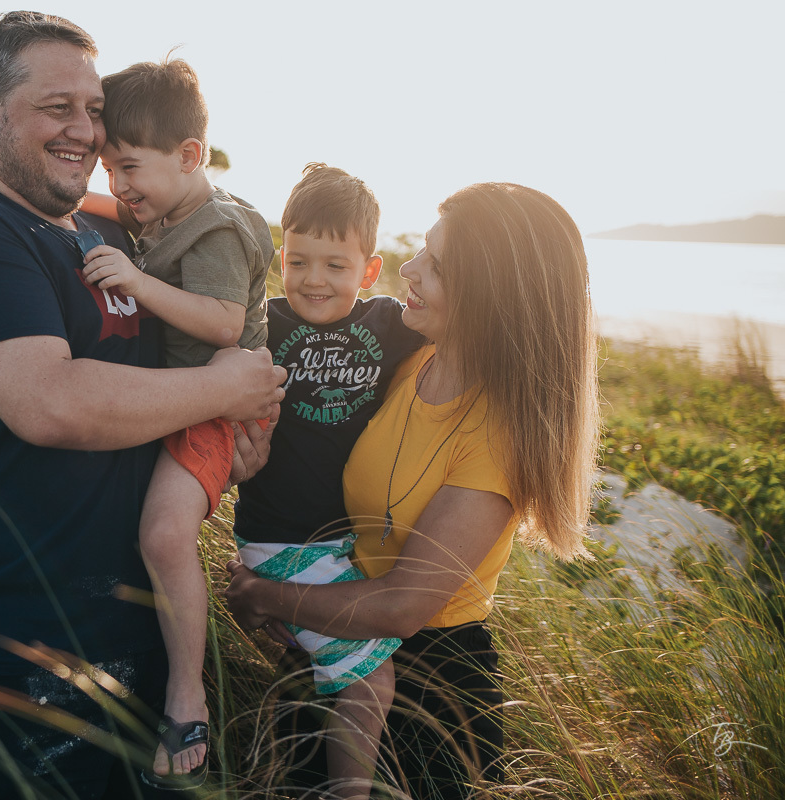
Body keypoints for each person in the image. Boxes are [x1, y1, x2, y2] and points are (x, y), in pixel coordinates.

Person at [0, 12, 285, 799]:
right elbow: (54, 404)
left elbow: (180, 233)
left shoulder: (98, 234)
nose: (84, 130)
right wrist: (228, 388)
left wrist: (233, 444)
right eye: (56, 108)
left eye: (93, 109)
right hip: (10, 660)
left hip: (135, 644)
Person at [226, 182, 600, 799]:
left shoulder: (498, 433)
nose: (410, 269)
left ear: (492, 295)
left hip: (429, 696)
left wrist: (264, 594)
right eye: (423, 250)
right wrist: (246, 463)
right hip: (332, 641)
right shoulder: (407, 359)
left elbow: (403, 605)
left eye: (438, 266)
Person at [72, 57, 274, 788]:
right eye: (109, 167)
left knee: (162, 534)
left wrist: (137, 281)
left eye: (128, 167)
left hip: (216, 406)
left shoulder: (216, 229)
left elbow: (223, 324)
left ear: (190, 156)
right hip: (185, 399)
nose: (119, 184)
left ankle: (187, 696)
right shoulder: (166, 205)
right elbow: (107, 207)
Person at [231, 163, 425, 799]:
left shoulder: (387, 323)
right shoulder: (262, 323)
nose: (313, 279)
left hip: (340, 545)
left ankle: (276, 774)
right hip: (283, 538)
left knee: (316, 683)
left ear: (369, 271)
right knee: (371, 681)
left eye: (335, 265)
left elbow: (469, 317)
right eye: (298, 261)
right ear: (280, 258)